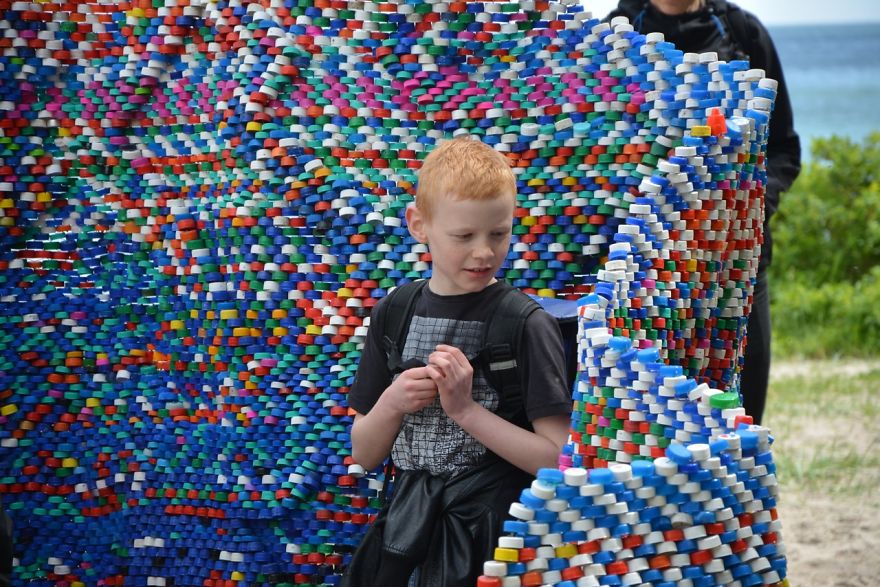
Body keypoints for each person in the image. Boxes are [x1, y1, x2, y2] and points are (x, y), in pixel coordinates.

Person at [342, 137, 572, 586]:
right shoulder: (394, 312)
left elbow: (557, 459)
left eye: (499, 234)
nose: (484, 252)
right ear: (418, 224)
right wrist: (392, 402)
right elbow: (363, 454)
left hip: (496, 537)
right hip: (408, 526)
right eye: (463, 236)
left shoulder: (525, 324)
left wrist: (466, 411)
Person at [606, 0, 802, 424]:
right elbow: (593, 156)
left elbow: (783, 147)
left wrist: (752, 206)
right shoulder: (615, 34)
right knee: (648, 427)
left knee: (739, 421)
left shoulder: (742, 33)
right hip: (645, 275)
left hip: (736, 269)